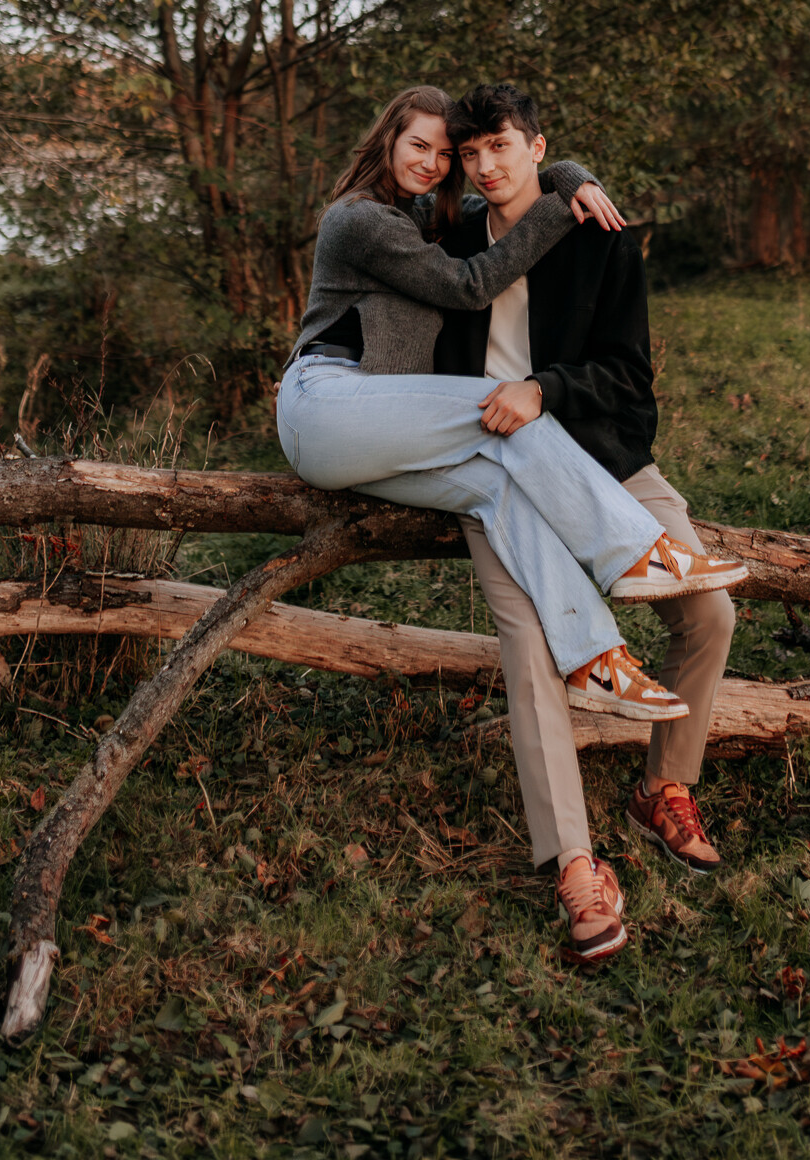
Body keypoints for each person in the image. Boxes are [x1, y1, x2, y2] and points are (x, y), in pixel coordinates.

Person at [275, 86, 746, 738]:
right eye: (420, 145)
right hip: (324, 402)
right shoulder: (360, 219)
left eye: (448, 153)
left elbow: (510, 195)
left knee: (495, 487)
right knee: (499, 405)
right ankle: (637, 554)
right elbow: (470, 285)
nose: (435, 163)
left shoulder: (421, 217)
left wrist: (570, 177)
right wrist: (562, 198)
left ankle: (594, 660)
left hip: (378, 431)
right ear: (387, 140)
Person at [433, 82, 740, 964]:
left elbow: (627, 375)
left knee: (709, 612)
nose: (484, 166)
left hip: (603, 457)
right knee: (532, 647)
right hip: (495, 474)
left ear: (535, 147)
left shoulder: (597, 234)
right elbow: (364, 257)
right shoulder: (449, 240)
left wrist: (544, 390)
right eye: (469, 153)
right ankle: (575, 860)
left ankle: (663, 787)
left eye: (500, 146)